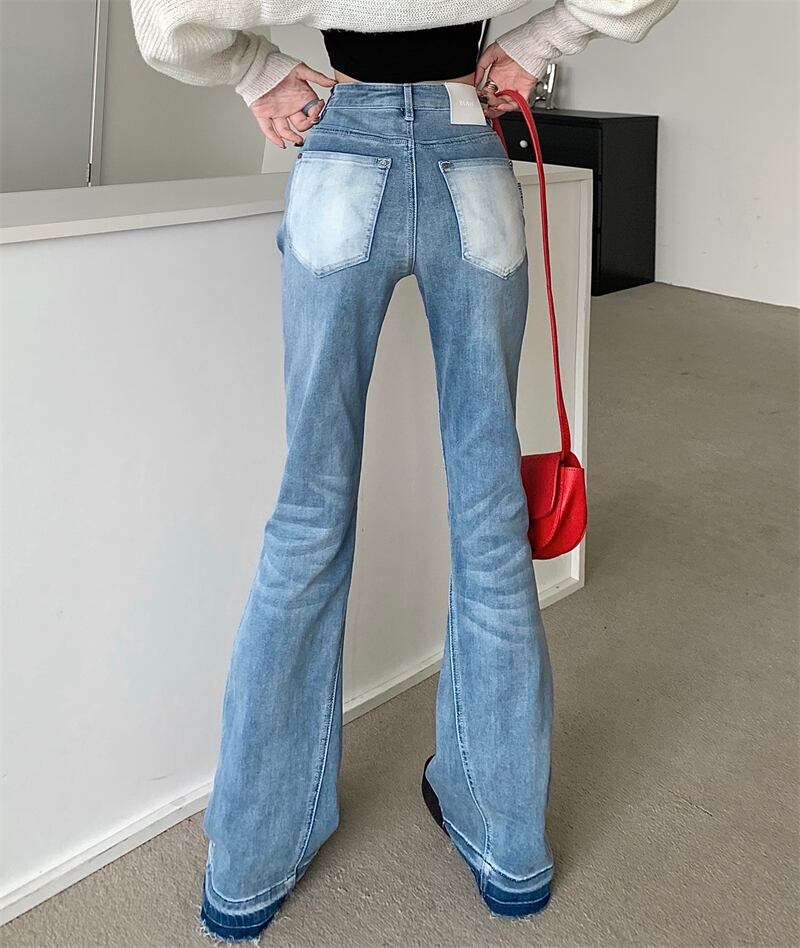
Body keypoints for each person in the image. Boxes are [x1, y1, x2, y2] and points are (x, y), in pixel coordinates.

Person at [130, 0, 679, 941]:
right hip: (471, 147)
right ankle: (508, 845)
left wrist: (257, 70)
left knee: (307, 516)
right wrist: (539, 43)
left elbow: (166, 19)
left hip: (341, 151)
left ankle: (250, 862)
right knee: (491, 519)